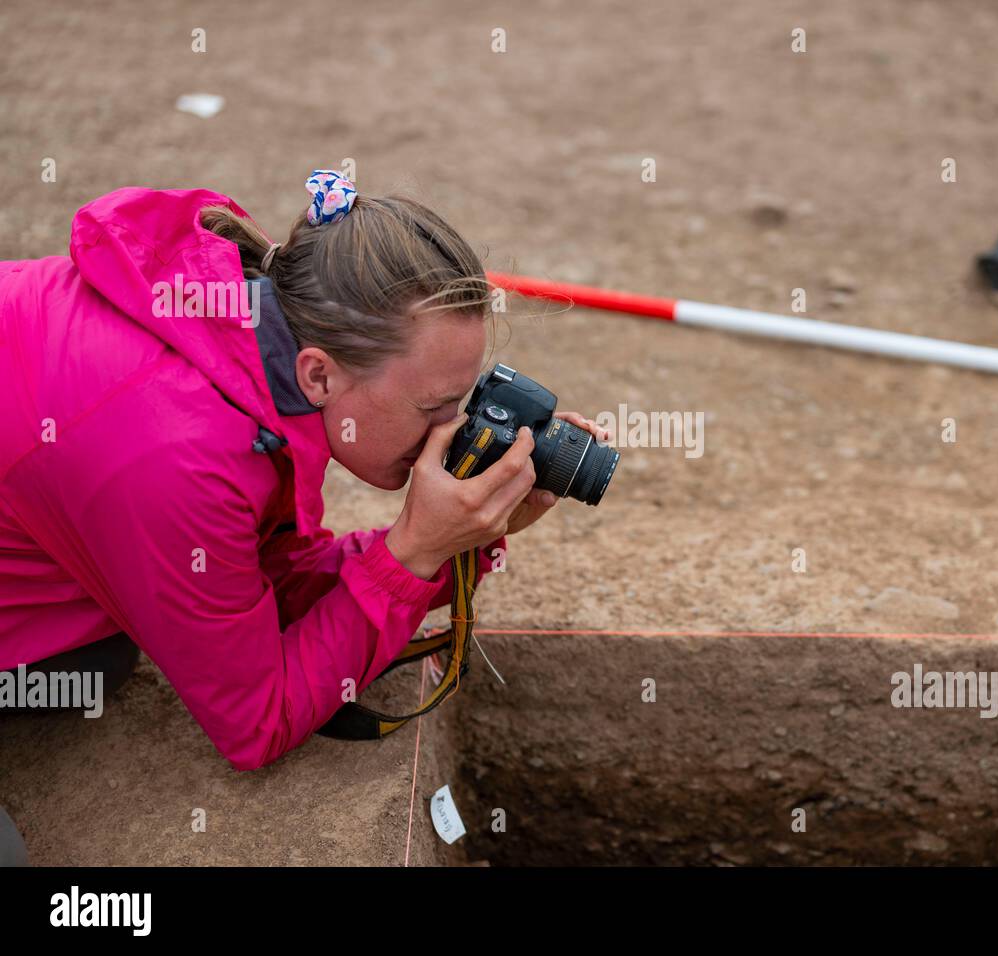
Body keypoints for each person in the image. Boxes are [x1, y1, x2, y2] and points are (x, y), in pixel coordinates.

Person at [0, 169, 607, 781]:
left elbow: (272, 577)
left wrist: (458, 537)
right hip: (134, 462)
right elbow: (255, 722)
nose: (454, 429)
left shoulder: (247, 349)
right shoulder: (181, 455)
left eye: (465, 399)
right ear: (319, 375)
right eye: (433, 408)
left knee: (89, 664)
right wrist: (416, 550)